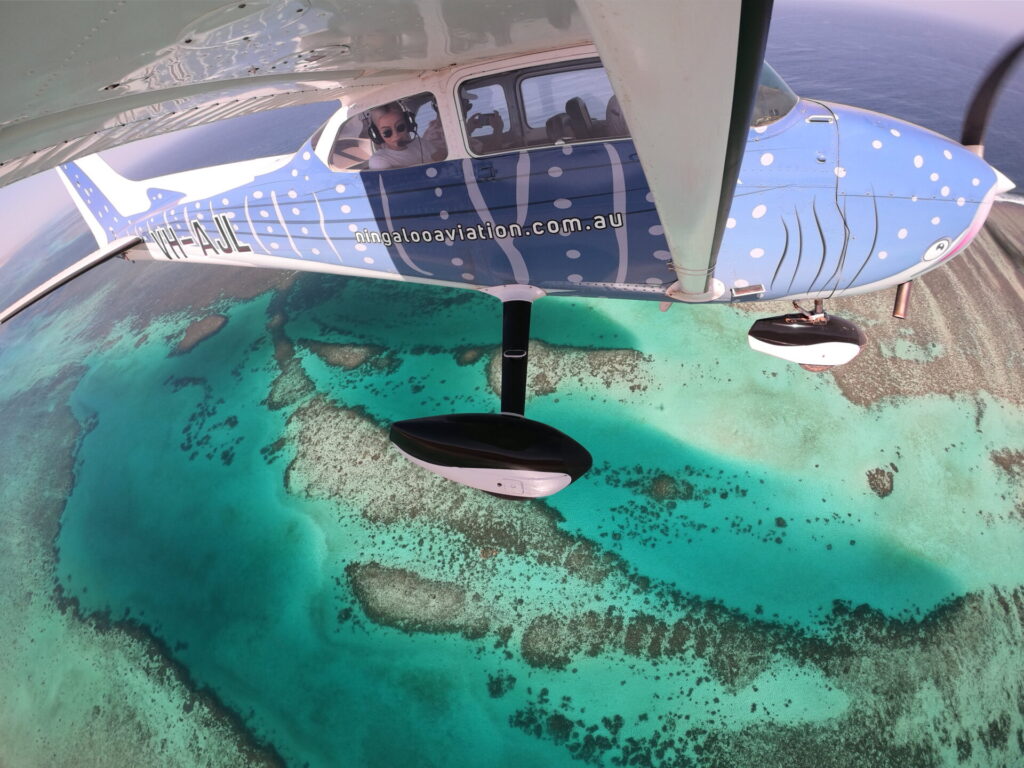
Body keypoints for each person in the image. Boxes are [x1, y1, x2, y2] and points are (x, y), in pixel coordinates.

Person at [367, 102, 446, 170]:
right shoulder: (378, 160)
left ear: (408, 124)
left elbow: (445, 164)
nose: (396, 135)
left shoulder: (421, 143)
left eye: (400, 127)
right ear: (377, 134)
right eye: (387, 132)